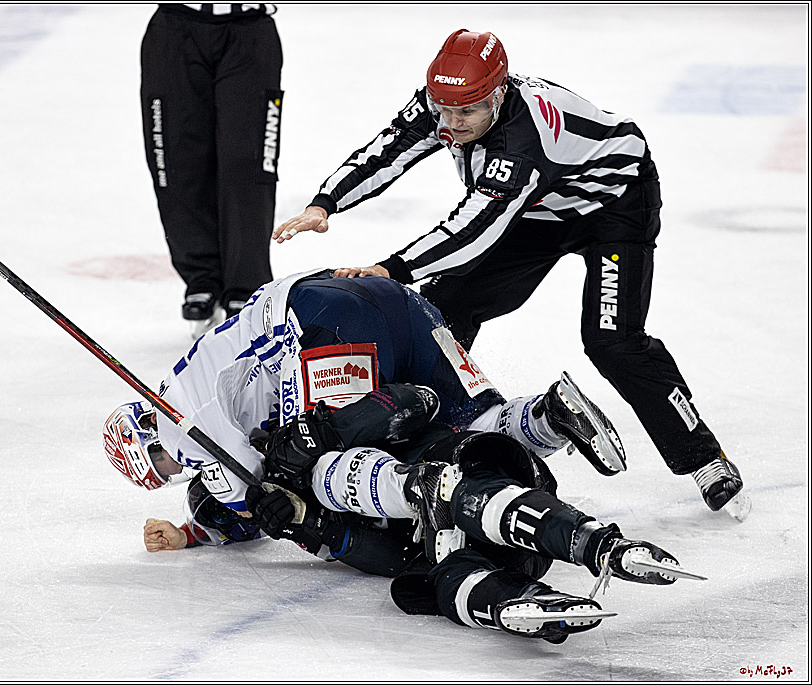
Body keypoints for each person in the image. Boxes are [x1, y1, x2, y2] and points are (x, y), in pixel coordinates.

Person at [272, 29, 749, 520]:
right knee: (444, 308)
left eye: (467, 114)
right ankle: (429, 432)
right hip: (539, 208)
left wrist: (392, 269)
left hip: (613, 208)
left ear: (498, 96)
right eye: (444, 111)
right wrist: (326, 202)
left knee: (613, 341)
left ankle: (704, 457)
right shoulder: (448, 104)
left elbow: (472, 230)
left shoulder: (521, 141)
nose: (452, 125)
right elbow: (391, 148)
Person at [108, 383, 703, 644]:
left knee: (458, 491)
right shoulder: (215, 487)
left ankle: (595, 542)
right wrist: (189, 534)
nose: (171, 469)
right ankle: (507, 602)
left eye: (160, 457)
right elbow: (231, 521)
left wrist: (325, 434)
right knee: (427, 581)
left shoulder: (266, 415)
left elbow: (412, 401)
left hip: (449, 469)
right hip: (397, 539)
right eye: (161, 471)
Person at [124, 269, 627, 516]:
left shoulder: (177, 427)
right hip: (384, 298)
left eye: (160, 472)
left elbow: (249, 493)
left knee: (317, 464)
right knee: (476, 417)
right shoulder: (188, 381)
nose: (176, 474)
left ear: (149, 441)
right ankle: (549, 415)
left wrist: (203, 528)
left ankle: (419, 490)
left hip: (319, 329)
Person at [140, 3, 283, 337]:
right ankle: (201, 275)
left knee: (247, 163)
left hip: (248, 32)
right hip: (175, 30)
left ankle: (246, 286)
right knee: (175, 160)